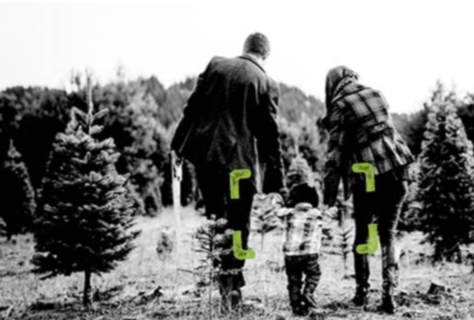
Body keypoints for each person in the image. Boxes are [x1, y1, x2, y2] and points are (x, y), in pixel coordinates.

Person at [169, 32, 284, 308]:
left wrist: (177, 147)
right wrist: (277, 180)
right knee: (239, 226)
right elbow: (269, 135)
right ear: (266, 55)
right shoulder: (266, 82)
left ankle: (224, 285)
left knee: (216, 221)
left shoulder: (216, 65)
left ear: (244, 48)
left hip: (207, 160)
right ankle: (233, 289)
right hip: (239, 168)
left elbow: (191, 108)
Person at [319, 66, 415, 313]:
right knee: (388, 234)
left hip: (369, 176)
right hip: (398, 170)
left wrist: (328, 197)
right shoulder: (376, 93)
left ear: (332, 85)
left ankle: (362, 294)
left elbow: (335, 156)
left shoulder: (339, 105)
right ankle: (389, 293)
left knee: (363, 236)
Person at [275, 183, 332, 316]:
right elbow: (327, 228)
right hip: (310, 253)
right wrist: (328, 234)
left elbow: (277, 212)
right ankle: (308, 292)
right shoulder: (317, 214)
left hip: (291, 254)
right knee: (314, 274)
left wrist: (283, 204)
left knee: (293, 280)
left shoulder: (289, 212)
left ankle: (296, 306)